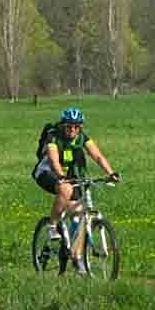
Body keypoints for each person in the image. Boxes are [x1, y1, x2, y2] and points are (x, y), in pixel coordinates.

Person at [31, 107, 119, 273]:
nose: (73, 130)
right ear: (63, 126)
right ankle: (52, 226)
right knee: (65, 189)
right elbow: (53, 159)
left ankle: (76, 257)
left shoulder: (82, 137)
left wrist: (110, 173)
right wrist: (60, 175)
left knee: (80, 214)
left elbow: (98, 156)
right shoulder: (53, 137)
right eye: (69, 127)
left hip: (70, 175)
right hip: (46, 172)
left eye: (77, 127)